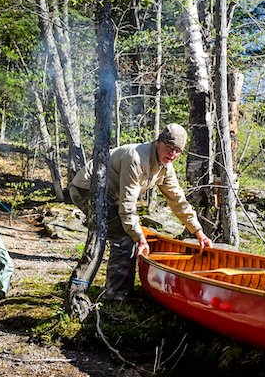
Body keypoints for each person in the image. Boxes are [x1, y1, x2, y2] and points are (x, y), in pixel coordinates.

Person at [69, 123, 213, 301]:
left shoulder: (165, 167)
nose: (173, 154)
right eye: (169, 148)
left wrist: (198, 232)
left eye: (178, 151)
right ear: (158, 142)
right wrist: (140, 238)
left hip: (111, 195)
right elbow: (127, 205)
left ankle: (123, 291)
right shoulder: (136, 157)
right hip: (86, 189)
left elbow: (177, 200)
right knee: (124, 237)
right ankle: (115, 296)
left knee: (129, 235)